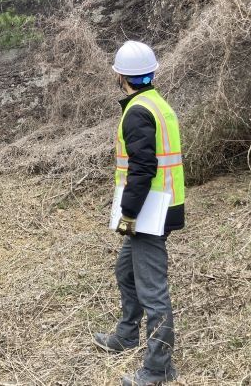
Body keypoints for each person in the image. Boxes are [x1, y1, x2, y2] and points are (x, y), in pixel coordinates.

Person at [93, 40, 185, 386]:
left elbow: (143, 168)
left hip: (149, 212)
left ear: (120, 76)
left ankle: (159, 368)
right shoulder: (157, 104)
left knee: (152, 290)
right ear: (151, 73)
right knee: (126, 272)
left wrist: (128, 213)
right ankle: (127, 334)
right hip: (161, 204)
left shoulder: (137, 112)